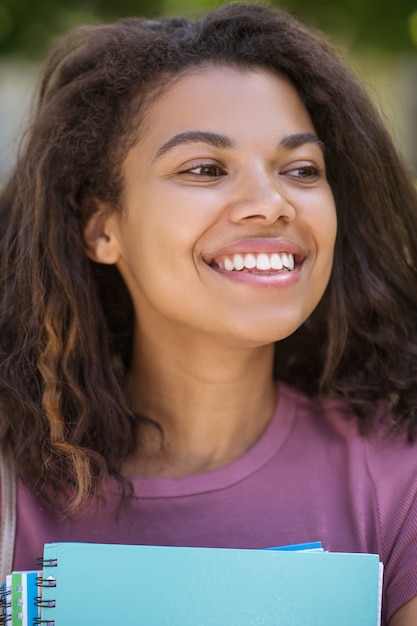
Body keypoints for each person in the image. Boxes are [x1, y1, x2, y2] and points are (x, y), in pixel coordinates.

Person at [1, 2, 417, 623]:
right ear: (101, 227)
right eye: (204, 168)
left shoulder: (400, 483)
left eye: (301, 169)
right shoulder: (11, 488)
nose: (271, 203)